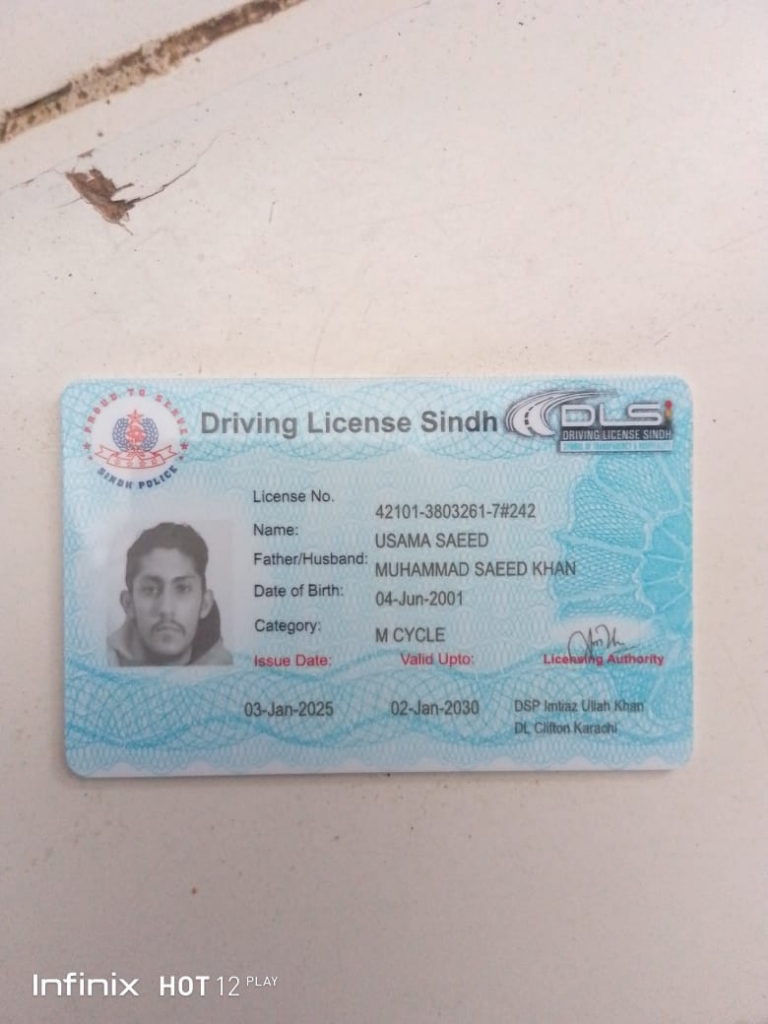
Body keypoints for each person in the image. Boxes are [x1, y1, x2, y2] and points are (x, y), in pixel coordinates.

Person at [107, 522, 233, 667]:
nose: (166, 609)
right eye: (150, 589)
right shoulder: (98, 664)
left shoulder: (230, 672)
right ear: (129, 604)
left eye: (183, 589)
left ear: (205, 604)